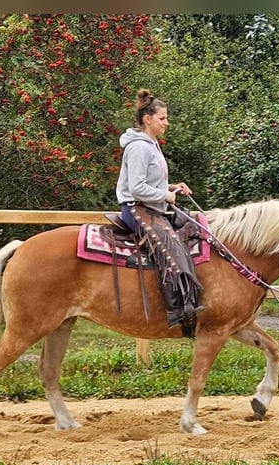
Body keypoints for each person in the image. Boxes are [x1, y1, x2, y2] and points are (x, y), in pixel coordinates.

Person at [115, 88, 203, 337]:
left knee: (192, 231)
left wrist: (171, 187)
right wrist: (166, 195)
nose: (166, 122)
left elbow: (148, 184)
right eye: (162, 118)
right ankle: (177, 309)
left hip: (150, 207)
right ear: (148, 119)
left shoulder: (151, 145)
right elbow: (136, 188)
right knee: (170, 248)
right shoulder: (140, 148)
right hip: (136, 209)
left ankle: (187, 300)